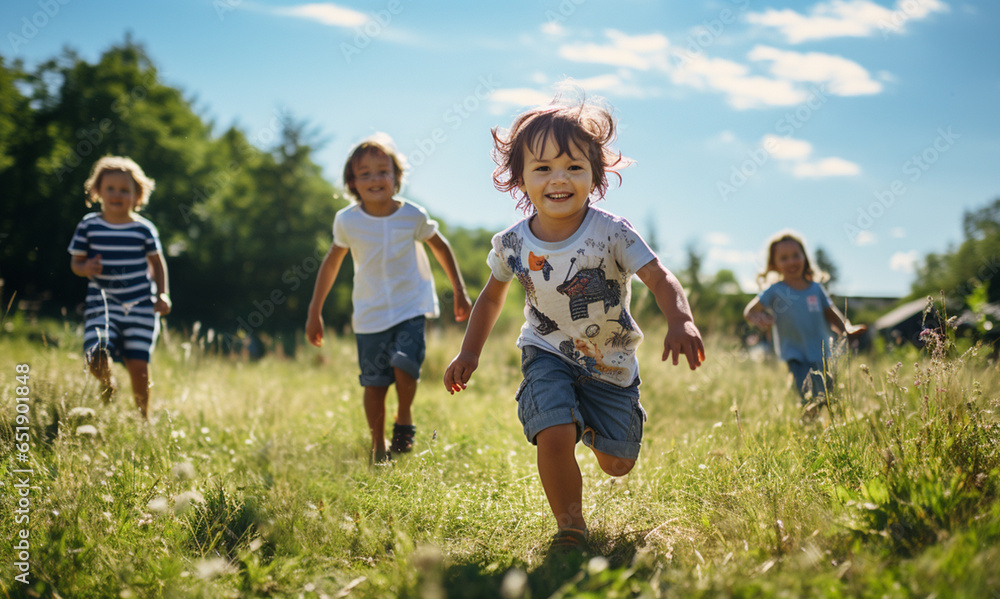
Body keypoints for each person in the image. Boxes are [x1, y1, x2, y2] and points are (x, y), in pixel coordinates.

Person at [443, 95, 705, 552]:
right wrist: (469, 352)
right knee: (554, 432)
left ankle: (591, 420)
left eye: (573, 167)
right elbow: (490, 297)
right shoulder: (512, 243)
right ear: (519, 178)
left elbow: (659, 277)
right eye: (542, 168)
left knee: (616, 464)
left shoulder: (613, 232)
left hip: (610, 362)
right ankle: (570, 529)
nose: (558, 178)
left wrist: (680, 319)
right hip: (546, 352)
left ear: (596, 176)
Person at [306, 134, 472, 465]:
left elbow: (440, 246)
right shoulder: (347, 221)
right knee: (374, 383)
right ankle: (378, 445)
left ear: (396, 176)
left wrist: (459, 290)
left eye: (383, 171)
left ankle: (405, 417)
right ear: (352, 182)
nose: (375, 179)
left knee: (404, 363)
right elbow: (331, 263)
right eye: (364, 173)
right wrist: (315, 311)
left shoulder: (412, 215)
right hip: (369, 314)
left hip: (411, 305)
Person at [68, 156, 171, 419]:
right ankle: (107, 382)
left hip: (141, 307)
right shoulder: (88, 225)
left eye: (125, 190)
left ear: (138, 195)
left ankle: (143, 418)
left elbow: (158, 264)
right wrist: (86, 267)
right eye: (110, 188)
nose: (117, 194)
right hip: (102, 304)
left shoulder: (143, 229)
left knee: (139, 366)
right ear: (97, 191)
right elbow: (76, 263)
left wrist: (162, 294)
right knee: (96, 353)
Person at [743, 231, 866, 412]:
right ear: (774, 264)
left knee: (827, 396)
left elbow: (830, 313)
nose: (791, 261)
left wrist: (846, 329)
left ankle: (821, 429)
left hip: (822, 352)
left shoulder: (816, 289)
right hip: (794, 354)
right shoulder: (775, 291)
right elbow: (749, 311)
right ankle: (808, 427)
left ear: (805, 258)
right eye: (784, 258)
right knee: (809, 396)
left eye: (796, 255)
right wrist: (760, 318)